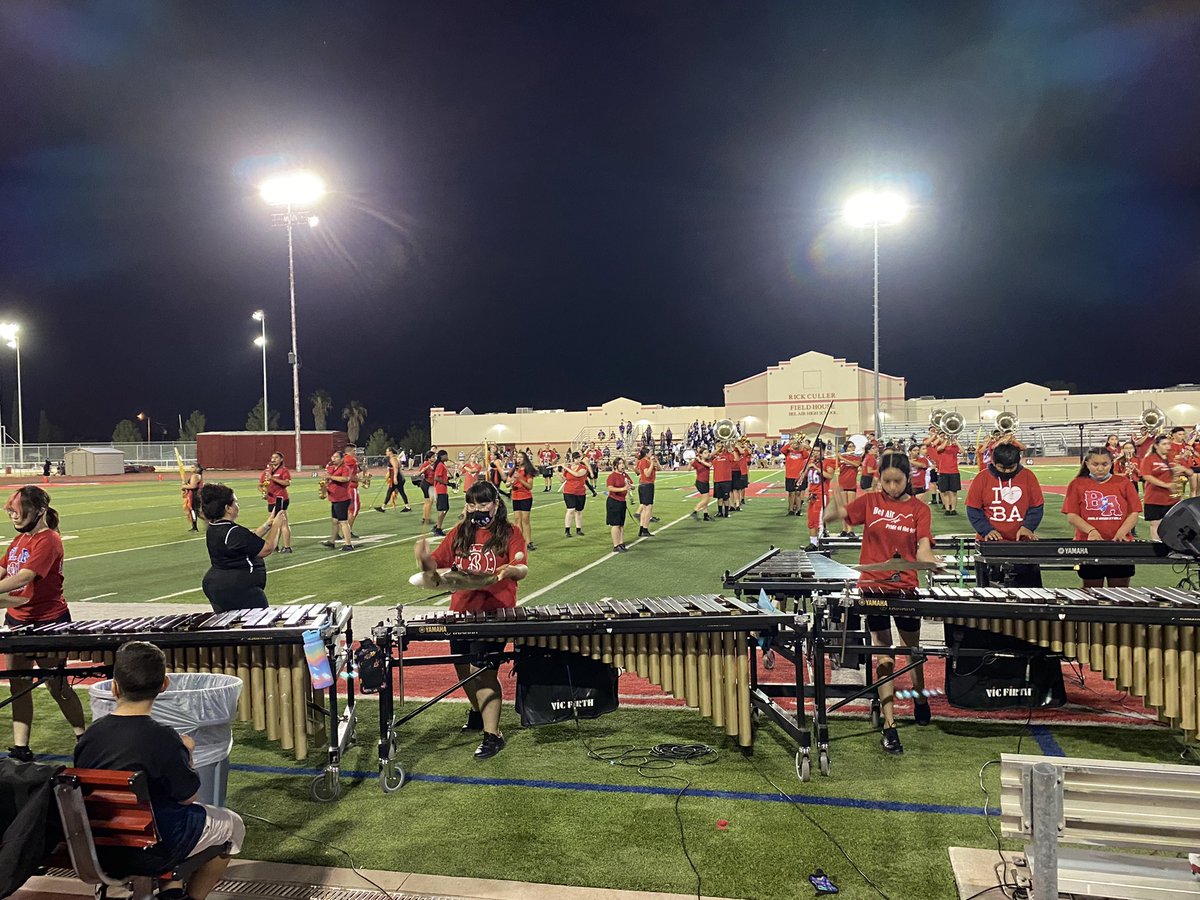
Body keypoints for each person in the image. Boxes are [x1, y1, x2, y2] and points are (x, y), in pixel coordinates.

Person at [75, 641, 245, 900]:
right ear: (164, 685)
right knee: (233, 826)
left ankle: (170, 889)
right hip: (154, 846)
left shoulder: (90, 736)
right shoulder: (164, 738)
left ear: (114, 687)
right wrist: (186, 752)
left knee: (166, 814)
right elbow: (188, 797)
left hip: (99, 845)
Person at [824, 451, 936, 754]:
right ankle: (889, 725)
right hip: (873, 588)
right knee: (884, 655)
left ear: (907, 478)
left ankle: (920, 698)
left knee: (912, 651)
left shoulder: (918, 509)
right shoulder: (871, 502)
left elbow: (924, 546)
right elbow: (837, 516)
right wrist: (832, 494)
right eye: (886, 481)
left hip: (905, 588)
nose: (891, 487)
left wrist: (931, 562)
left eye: (897, 481)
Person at [416, 481, 527, 759]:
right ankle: (477, 713)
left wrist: (511, 570)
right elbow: (435, 568)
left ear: (496, 504)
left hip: (495, 612)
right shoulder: (460, 532)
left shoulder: (509, 532)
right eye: (472, 503)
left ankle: (493, 735)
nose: (477, 509)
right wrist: (423, 558)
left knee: (484, 670)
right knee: (462, 666)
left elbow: (522, 566)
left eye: (483, 503)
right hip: (462, 611)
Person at [0, 486, 86, 761]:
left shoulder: (48, 540)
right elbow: (4, 570)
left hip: (49, 622)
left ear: (38, 510)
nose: (13, 516)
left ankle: (82, 739)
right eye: (11, 511)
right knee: (19, 685)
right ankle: (22, 747)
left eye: (18, 510)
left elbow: (24, 577)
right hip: (18, 620)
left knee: (57, 686)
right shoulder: (19, 542)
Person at [965, 441, 1045, 586]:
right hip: (989, 544)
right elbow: (973, 509)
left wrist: (1028, 527)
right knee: (991, 594)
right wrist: (987, 530)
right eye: (1002, 468)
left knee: (1028, 592)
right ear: (994, 462)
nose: (1007, 472)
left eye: (1011, 468)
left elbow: (1036, 506)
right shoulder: (981, 478)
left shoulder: (1028, 476)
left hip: (1022, 543)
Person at [1061, 448, 1141, 588]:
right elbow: (1072, 515)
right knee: (1091, 593)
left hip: (1119, 546)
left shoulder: (1123, 483)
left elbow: (1134, 512)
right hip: (1089, 546)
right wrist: (1091, 531)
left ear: (1111, 463)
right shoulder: (1077, 484)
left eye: (1105, 464)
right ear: (1086, 464)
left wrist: (1123, 531)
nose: (1100, 468)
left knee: (1120, 594)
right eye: (1095, 464)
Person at [198, 483, 283, 610]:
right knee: (257, 625)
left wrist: (268, 524)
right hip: (238, 588)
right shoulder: (233, 531)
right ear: (228, 508)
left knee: (229, 625)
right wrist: (277, 525)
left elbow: (247, 539)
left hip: (217, 584)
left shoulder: (215, 527)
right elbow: (267, 548)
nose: (238, 505)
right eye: (236, 502)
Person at [1140, 434, 1187, 541]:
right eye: (1164, 444)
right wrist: (1166, 485)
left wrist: (1182, 469)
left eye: (1168, 444)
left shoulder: (1172, 457)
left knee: (1174, 525)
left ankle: (1173, 547)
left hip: (1172, 499)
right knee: (1155, 524)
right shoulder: (1149, 459)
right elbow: (1146, 476)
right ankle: (1158, 547)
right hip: (1154, 498)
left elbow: (1186, 470)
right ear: (1156, 446)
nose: (1167, 446)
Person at [320, 451, 355, 551]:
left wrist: (330, 477)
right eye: (333, 456)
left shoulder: (345, 468)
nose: (333, 458)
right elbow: (327, 480)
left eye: (336, 457)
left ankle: (348, 544)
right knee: (335, 521)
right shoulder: (331, 468)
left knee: (343, 521)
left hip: (342, 498)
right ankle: (332, 541)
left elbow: (345, 479)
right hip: (334, 498)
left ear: (342, 459)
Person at [804, 442, 836, 549]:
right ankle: (813, 543)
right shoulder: (811, 462)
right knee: (811, 521)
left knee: (819, 521)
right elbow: (802, 476)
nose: (815, 453)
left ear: (823, 451)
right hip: (812, 495)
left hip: (821, 494)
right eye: (814, 451)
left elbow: (829, 475)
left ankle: (823, 542)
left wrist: (817, 468)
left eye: (818, 451)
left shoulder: (828, 462)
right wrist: (806, 469)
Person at [261, 451, 292, 553]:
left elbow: (287, 483)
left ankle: (287, 547)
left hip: (280, 499)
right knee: (274, 523)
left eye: (276, 458)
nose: (273, 459)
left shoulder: (283, 470)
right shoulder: (267, 471)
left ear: (281, 459)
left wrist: (273, 478)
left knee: (283, 523)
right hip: (270, 500)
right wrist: (263, 492)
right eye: (272, 457)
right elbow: (260, 484)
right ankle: (275, 545)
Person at [508, 452, 537, 551]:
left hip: (525, 497)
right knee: (517, 520)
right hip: (515, 497)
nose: (518, 459)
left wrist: (519, 479)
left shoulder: (527, 471)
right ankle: (519, 541)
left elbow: (530, 486)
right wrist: (510, 482)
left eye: (521, 457)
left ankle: (529, 542)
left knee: (525, 520)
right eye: (517, 457)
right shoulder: (514, 470)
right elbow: (508, 482)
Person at [606, 458, 635, 552]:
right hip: (614, 501)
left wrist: (631, 486)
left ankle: (621, 543)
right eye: (620, 464)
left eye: (623, 463)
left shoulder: (625, 475)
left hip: (622, 501)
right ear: (615, 465)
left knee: (621, 524)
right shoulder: (612, 476)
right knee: (615, 524)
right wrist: (623, 489)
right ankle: (616, 545)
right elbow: (610, 488)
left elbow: (632, 485)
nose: (622, 465)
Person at [560, 452, 589, 536]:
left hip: (580, 492)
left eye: (579, 458)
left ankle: (578, 529)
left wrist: (566, 468)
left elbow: (577, 474)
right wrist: (557, 472)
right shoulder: (568, 468)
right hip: (569, 491)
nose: (578, 460)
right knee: (570, 510)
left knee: (579, 511)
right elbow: (563, 480)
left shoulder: (583, 468)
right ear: (573, 459)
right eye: (576, 458)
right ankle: (567, 530)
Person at [933, 432, 962, 515]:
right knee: (944, 491)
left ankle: (953, 509)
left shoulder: (954, 447)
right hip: (943, 472)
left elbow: (963, 451)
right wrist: (947, 439)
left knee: (953, 492)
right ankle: (947, 509)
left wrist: (956, 441)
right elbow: (941, 448)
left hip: (954, 472)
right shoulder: (939, 447)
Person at [835, 442, 861, 535]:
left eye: (853, 446)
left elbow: (856, 465)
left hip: (851, 486)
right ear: (846, 449)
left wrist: (842, 458)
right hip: (842, 484)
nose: (852, 448)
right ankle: (844, 530)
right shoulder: (841, 457)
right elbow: (835, 467)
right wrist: (838, 457)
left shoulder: (857, 457)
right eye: (850, 447)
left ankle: (850, 530)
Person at [376, 447, 412, 513]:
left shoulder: (393, 459)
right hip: (398, 477)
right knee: (399, 492)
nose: (386, 453)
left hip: (396, 478)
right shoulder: (396, 458)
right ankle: (407, 507)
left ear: (390, 452)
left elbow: (395, 468)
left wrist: (394, 477)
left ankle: (383, 508)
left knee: (390, 492)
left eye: (387, 451)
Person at [783, 437, 809, 516]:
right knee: (791, 493)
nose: (795, 445)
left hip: (799, 476)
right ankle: (790, 510)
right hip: (789, 475)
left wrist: (800, 445)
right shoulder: (788, 452)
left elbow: (806, 455)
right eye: (793, 444)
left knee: (798, 493)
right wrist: (791, 443)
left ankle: (798, 510)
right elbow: (782, 450)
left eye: (796, 443)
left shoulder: (802, 452)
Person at [430, 449, 453, 536]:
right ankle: (438, 529)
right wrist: (448, 483)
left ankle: (437, 525)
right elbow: (436, 478)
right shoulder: (440, 465)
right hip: (440, 490)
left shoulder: (442, 464)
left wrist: (450, 480)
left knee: (446, 509)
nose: (447, 457)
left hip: (443, 490)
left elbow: (442, 477)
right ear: (442, 456)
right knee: (442, 510)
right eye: (446, 455)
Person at [635, 448, 657, 538]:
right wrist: (652, 463)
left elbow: (659, 468)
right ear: (646, 453)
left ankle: (642, 529)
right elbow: (647, 474)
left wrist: (656, 462)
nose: (652, 454)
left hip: (646, 485)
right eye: (650, 452)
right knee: (648, 508)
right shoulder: (644, 461)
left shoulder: (646, 461)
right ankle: (645, 529)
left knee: (644, 508)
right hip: (646, 485)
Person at [711, 443, 734, 519]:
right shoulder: (714, 456)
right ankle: (720, 512)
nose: (720, 446)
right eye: (717, 445)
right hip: (717, 479)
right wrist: (717, 449)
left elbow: (735, 458)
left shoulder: (727, 455)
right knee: (719, 497)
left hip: (726, 479)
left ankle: (726, 513)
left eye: (721, 445)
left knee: (726, 497)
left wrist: (728, 448)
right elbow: (709, 456)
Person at [343, 443, 362, 538]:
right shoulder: (350, 459)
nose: (355, 453)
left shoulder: (343, 459)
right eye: (354, 451)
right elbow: (349, 475)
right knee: (354, 509)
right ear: (350, 451)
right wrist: (361, 479)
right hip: (351, 487)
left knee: (345, 510)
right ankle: (347, 531)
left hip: (344, 487)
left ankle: (341, 531)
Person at [690, 448, 713, 521]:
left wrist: (700, 461)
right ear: (701, 455)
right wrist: (690, 462)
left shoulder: (708, 461)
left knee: (705, 499)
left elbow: (709, 465)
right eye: (705, 453)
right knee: (706, 499)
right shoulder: (697, 462)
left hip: (706, 482)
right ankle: (695, 510)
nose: (707, 454)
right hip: (700, 482)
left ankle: (705, 515)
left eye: (707, 452)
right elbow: (689, 469)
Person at [182, 465, 204, 532]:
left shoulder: (195, 476)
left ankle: (195, 527)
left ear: (197, 468)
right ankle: (194, 526)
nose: (190, 468)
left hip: (194, 495)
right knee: (195, 511)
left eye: (192, 467)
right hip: (195, 495)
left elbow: (193, 486)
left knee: (194, 510)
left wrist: (184, 486)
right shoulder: (197, 475)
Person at [416, 452, 436, 525]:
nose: (434, 458)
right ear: (429, 458)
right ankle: (426, 518)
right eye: (433, 457)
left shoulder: (434, 464)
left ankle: (426, 518)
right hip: (426, 484)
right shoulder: (426, 464)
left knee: (429, 502)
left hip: (430, 484)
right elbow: (418, 474)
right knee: (428, 502)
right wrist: (425, 468)